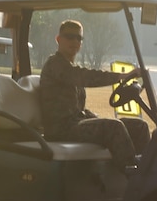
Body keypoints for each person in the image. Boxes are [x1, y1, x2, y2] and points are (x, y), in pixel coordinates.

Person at [39, 19, 150, 171]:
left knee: (139, 126)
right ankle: (133, 177)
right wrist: (121, 76)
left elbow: (78, 109)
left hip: (74, 124)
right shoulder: (55, 64)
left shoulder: (70, 68)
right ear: (58, 39)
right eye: (69, 37)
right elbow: (85, 77)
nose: (74, 41)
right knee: (113, 127)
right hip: (61, 129)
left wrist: (94, 117)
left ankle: (145, 171)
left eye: (79, 38)